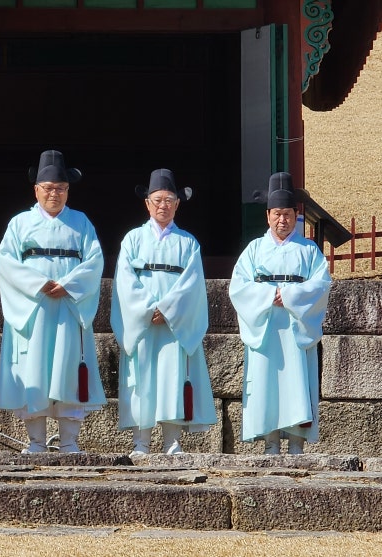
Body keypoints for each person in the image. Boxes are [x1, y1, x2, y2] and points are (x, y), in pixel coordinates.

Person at [0, 149, 106, 453]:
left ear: (68, 191)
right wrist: (38, 283)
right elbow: (5, 262)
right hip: (34, 307)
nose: (54, 194)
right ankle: (36, 441)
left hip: (68, 306)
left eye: (60, 188)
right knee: (36, 368)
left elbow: (94, 261)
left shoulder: (81, 222)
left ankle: (70, 440)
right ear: (36, 190)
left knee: (69, 368)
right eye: (48, 188)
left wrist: (69, 285)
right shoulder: (20, 224)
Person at [110, 168, 217, 457]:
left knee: (173, 376)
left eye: (169, 200)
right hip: (142, 323)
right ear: (147, 202)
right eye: (157, 199)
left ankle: (172, 442)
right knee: (140, 378)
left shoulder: (188, 243)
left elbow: (192, 285)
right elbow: (125, 281)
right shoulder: (132, 240)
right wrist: (147, 310)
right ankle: (141, 443)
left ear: (178, 204)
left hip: (174, 325)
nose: (163, 205)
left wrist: (168, 310)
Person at [229, 171, 331, 455]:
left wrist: (287, 295)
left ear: (295, 215)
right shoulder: (254, 250)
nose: (282, 220)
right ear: (268, 216)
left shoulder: (309, 251)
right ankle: (271, 442)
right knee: (266, 383)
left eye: (287, 214)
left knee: (297, 382)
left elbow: (321, 285)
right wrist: (267, 295)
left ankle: (297, 443)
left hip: (296, 326)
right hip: (266, 326)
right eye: (276, 214)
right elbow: (238, 287)